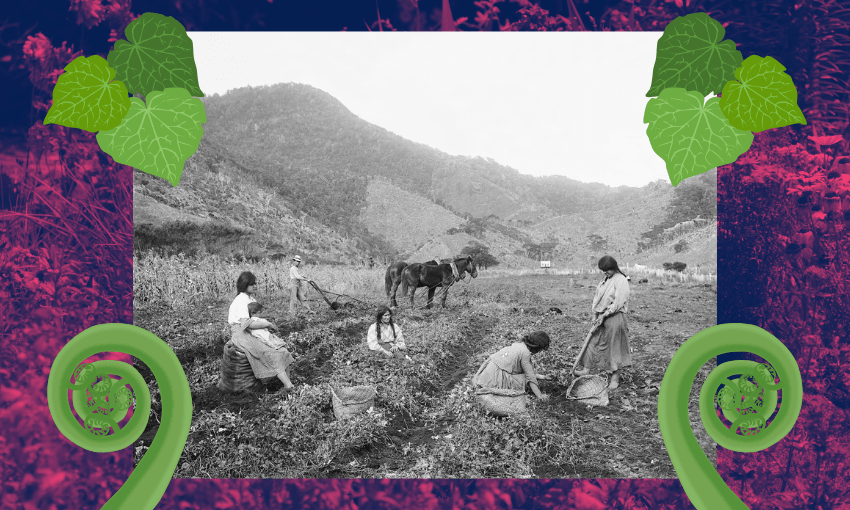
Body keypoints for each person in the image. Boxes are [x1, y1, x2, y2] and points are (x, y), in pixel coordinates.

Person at [228, 271, 296, 392]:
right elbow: (246, 325)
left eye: (255, 284)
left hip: (253, 330)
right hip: (242, 333)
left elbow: (254, 318)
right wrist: (267, 324)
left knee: (282, 350)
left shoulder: (250, 298)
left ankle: (288, 383)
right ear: (244, 284)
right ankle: (288, 385)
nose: (255, 286)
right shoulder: (241, 301)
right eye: (252, 284)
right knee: (270, 353)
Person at [575, 255, 632, 391]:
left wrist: (605, 315)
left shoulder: (621, 280)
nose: (605, 272)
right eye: (603, 270)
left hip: (615, 317)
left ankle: (615, 379)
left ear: (614, 268)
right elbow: (597, 298)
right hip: (601, 316)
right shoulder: (605, 279)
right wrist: (595, 315)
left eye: (607, 270)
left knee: (614, 347)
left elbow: (618, 302)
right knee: (592, 342)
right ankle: (586, 369)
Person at [473, 331, 552, 401]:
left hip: (488, 371)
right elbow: (530, 377)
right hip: (495, 377)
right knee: (521, 381)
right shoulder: (525, 353)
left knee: (521, 377)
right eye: (540, 349)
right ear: (536, 347)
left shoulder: (519, 345)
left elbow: (528, 373)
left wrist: (544, 377)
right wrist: (540, 395)